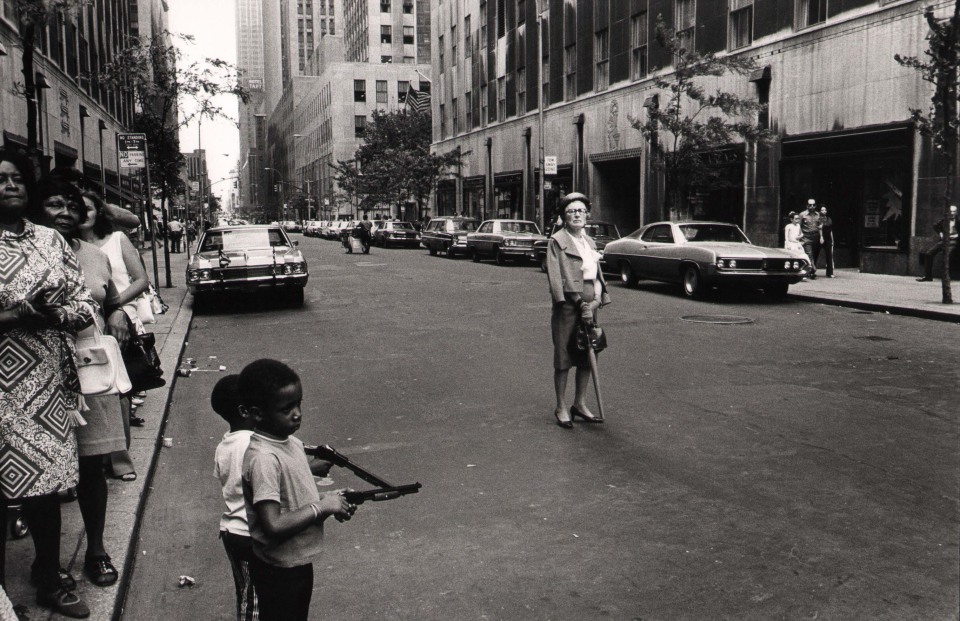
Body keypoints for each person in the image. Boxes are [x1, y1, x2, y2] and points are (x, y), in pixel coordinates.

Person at [0, 149, 96, 619]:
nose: (10, 185)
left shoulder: (50, 241)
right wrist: (12, 315)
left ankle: (48, 576)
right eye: (0, 179)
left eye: (17, 177)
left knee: (45, 485)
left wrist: (57, 313)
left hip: (43, 385)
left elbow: (84, 304)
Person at [30, 175, 132, 593]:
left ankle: (96, 550)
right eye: (56, 204)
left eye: (73, 205)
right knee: (42, 475)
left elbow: (107, 300)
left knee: (92, 468)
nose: (67, 213)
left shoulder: (93, 254)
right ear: (39, 210)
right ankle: (47, 563)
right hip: (37, 375)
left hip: (90, 371)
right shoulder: (27, 252)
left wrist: (117, 312)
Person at [239, 359, 354, 621]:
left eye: (299, 404)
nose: (297, 413)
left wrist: (331, 500)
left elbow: (294, 496)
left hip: (297, 563)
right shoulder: (264, 459)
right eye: (286, 408)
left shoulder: (289, 442)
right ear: (257, 413)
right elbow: (274, 524)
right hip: (279, 570)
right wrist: (322, 506)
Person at [79, 190, 150, 479]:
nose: (82, 214)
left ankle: (120, 460)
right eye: (76, 208)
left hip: (119, 322)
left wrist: (115, 306)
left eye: (88, 208)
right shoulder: (64, 246)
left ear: (100, 212)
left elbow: (142, 280)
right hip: (85, 326)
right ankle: (91, 457)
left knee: (116, 391)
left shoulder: (117, 240)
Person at [545, 193, 611, 429]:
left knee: (587, 356)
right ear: (564, 216)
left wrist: (597, 300)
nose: (577, 215)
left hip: (589, 307)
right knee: (563, 357)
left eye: (581, 211)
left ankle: (580, 404)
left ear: (587, 215)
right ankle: (561, 406)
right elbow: (557, 277)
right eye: (571, 211)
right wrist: (579, 302)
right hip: (568, 309)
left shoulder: (590, 242)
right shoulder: (557, 241)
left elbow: (596, 275)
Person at [212, 374, 259, 621]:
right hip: (250, 533)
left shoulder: (226, 444)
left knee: (245, 592)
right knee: (254, 601)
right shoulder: (252, 443)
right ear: (244, 411)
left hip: (233, 530)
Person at [917, 204, 959, 281]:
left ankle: (946, 277)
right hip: (944, 241)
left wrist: (957, 236)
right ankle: (928, 276)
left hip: (954, 241)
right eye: (950, 211)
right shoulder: (944, 220)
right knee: (929, 254)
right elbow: (935, 226)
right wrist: (941, 234)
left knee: (947, 255)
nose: (952, 213)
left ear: (956, 212)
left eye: (954, 211)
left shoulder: (959, 221)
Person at [799, 198, 821, 279]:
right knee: (809, 254)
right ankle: (812, 270)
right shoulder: (802, 214)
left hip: (816, 237)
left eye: (814, 205)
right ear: (807, 206)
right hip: (806, 237)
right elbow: (799, 226)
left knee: (815, 254)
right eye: (810, 205)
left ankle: (810, 269)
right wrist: (800, 238)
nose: (812, 207)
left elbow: (820, 226)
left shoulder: (818, 215)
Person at [816, 205, 835, 278]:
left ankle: (830, 272)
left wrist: (823, 225)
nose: (824, 211)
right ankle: (812, 270)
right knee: (815, 254)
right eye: (822, 210)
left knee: (829, 255)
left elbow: (829, 224)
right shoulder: (818, 219)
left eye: (825, 210)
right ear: (820, 211)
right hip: (820, 238)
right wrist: (821, 237)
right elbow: (818, 228)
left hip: (827, 239)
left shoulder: (828, 219)